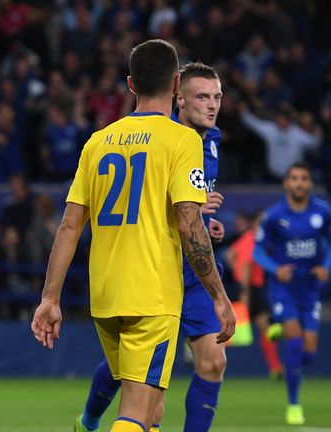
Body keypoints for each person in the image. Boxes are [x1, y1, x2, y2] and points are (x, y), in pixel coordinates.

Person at [31, 40, 235, 432]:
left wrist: (49, 298)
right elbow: (189, 222)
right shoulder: (182, 140)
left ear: (130, 83)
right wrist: (220, 297)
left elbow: (70, 225)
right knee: (136, 416)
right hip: (152, 293)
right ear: (177, 85)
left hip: (106, 295)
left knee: (152, 410)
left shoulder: (98, 140)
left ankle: (89, 421)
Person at [252, 162, 331, 425]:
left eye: (304, 178)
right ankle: (294, 404)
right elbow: (258, 251)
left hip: (310, 289)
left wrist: (326, 266)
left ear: (309, 184)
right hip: (283, 288)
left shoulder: (323, 211)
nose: (299, 183)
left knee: (308, 353)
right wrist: (276, 269)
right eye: (294, 178)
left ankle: (277, 329)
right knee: (295, 342)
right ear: (286, 183)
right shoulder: (274, 215)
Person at [225, 213, 284, 379]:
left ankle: (275, 367)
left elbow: (230, 254)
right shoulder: (252, 239)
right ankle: (207, 356)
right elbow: (246, 265)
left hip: (249, 286)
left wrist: (235, 272)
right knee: (235, 331)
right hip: (250, 287)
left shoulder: (248, 238)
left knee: (259, 326)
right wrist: (244, 290)